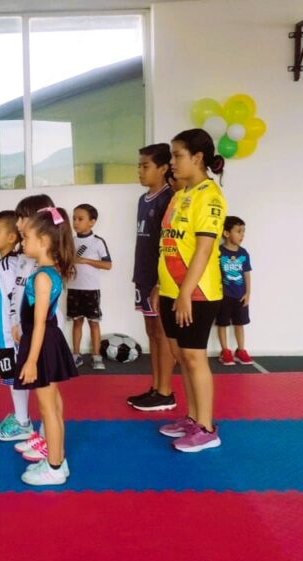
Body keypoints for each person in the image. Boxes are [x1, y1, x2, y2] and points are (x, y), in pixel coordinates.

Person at [155, 128, 227, 453]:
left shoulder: (210, 196)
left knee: (195, 358)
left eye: (177, 155)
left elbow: (203, 250)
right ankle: (193, 417)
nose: (172, 162)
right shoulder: (181, 194)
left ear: (197, 158)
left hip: (197, 293)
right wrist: (162, 286)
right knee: (182, 356)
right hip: (171, 289)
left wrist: (185, 292)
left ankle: (207, 428)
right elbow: (170, 244)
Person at [15, 207, 78, 485]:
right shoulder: (48, 271)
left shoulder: (42, 276)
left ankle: (53, 468)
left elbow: (40, 322)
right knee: (54, 405)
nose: (22, 242)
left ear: (43, 241)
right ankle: (57, 458)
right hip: (47, 341)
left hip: (42, 344)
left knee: (47, 409)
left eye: (26, 238)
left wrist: (31, 361)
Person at [127, 144, 179, 412]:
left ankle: (166, 391)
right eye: (139, 165)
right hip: (143, 275)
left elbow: (170, 244)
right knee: (151, 332)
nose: (140, 171)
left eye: (145, 166)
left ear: (163, 168)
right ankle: (156, 387)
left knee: (162, 333)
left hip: (161, 279)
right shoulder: (142, 199)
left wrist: (160, 282)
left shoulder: (169, 198)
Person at [0, 210, 31, 441]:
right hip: (4, 334)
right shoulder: (4, 264)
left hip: (10, 335)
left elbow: (16, 298)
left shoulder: (8, 266)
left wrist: (18, 328)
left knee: (15, 378)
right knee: (12, 377)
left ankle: (23, 422)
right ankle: (19, 416)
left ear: (12, 237)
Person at [68, 204, 112, 370]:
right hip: (74, 289)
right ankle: (76, 355)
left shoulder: (97, 242)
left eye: (80, 219)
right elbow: (64, 262)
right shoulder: (71, 241)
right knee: (76, 322)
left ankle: (96, 356)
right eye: (74, 219)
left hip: (91, 289)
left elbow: (107, 265)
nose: (76, 222)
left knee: (94, 323)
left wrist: (85, 260)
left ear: (92, 222)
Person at [216, 216, 253, 365]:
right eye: (238, 231)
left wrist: (248, 293)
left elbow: (247, 274)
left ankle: (241, 350)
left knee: (240, 323)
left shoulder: (243, 253)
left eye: (243, 231)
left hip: (240, 296)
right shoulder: (219, 252)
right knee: (222, 323)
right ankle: (225, 351)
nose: (242, 235)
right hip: (223, 296)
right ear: (226, 233)